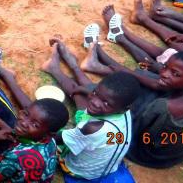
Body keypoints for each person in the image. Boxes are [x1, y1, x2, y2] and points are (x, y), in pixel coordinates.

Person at [80, 42, 183, 168]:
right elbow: (157, 84)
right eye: (165, 67)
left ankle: (79, 82)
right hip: (169, 143)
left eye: (175, 73)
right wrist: (128, 73)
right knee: (144, 78)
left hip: (149, 154)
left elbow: (139, 133)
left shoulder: (167, 107)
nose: (164, 74)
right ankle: (97, 61)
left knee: (113, 103)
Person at [41, 37, 140, 181]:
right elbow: (100, 100)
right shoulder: (123, 109)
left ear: (124, 107)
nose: (95, 102)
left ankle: (55, 68)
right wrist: (89, 92)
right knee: (81, 92)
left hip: (78, 170)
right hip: (106, 156)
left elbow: (58, 139)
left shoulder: (92, 127)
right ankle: (66, 65)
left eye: (106, 103)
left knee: (41, 120)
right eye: (96, 93)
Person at [0, 99, 69, 182]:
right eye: (26, 114)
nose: (24, 123)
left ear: (49, 134)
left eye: (35, 125)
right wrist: (11, 130)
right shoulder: (51, 141)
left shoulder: (17, 157)